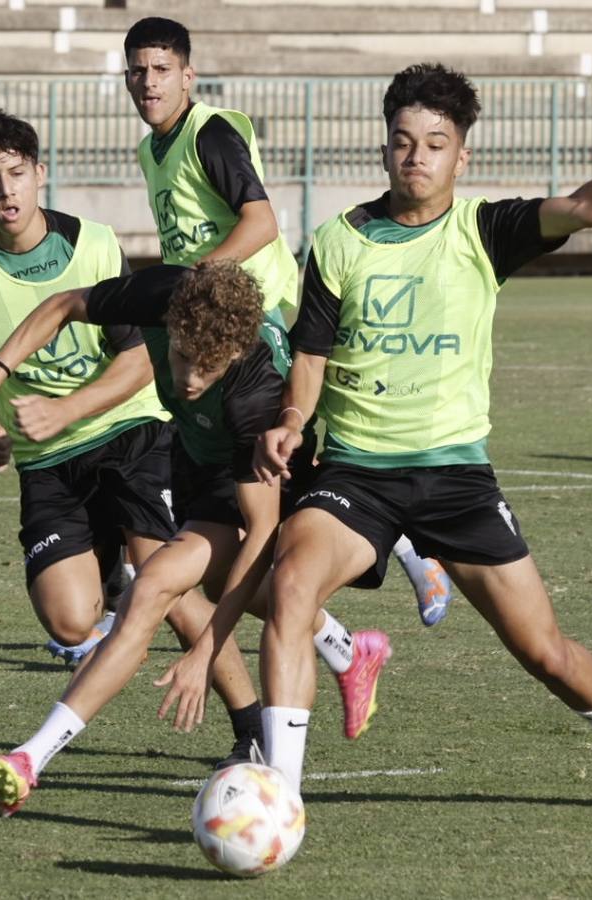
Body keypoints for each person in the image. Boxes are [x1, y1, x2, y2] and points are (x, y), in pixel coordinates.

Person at [253, 62, 592, 808]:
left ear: (464, 156)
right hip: (356, 476)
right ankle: (282, 796)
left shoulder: (484, 230)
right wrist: (294, 420)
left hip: (456, 478)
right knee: (292, 586)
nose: (416, 156)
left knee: (545, 653)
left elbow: (585, 206)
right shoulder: (339, 240)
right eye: (403, 141)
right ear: (383, 149)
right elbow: (310, 354)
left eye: (435, 143)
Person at [0, 259, 393, 816]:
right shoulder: (165, 295)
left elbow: (262, 528)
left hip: (263, 477)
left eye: (206, 367)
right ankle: (349, 649)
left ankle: (31, 757)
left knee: (163, 584)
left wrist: (207, 651)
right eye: (183, 356)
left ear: (235, 355)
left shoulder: (253, 397)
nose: (189, 377)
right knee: (195, 585)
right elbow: (64, 305)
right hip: (193, 457)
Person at [0, 110, 265, 802]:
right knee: (70, 620)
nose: (6, 191)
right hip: (46, 459)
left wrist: (68, 409)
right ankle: (114, 579)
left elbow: (141, 360)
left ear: (40, 173)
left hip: (133, 436)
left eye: (17, 173)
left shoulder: (96, 247)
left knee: (169, 590)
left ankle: (252, 726)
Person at [123, 15, 456, 627]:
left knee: (276, 473)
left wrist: (196, 279)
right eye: (139, 71)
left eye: (163, 70)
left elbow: (261, 223)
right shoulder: (151, 148)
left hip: (258, 321)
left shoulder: (210, 133)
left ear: (188, 76)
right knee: (257, 480)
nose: (150, 82)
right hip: (210, 325)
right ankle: (344, 624)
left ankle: (411, 546)